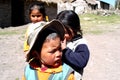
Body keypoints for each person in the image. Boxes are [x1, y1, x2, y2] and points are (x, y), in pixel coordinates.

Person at [56, 10, 90, 79]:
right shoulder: (58, 39)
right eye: (59, 31)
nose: (62, 35)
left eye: (66, 32)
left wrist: (65, 50)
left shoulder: (80, 44)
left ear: (76, 29)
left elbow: (81, 61)